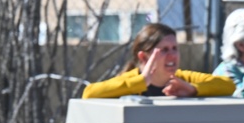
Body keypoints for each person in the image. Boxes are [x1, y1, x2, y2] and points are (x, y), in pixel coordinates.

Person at [82, 23, 236, 99]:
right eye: (164, 50)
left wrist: (193, 89)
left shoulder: (181, 78)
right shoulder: (131, 81)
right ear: (143, 57)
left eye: (174, 48)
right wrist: (142, 81)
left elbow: (228, 85)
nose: (172, 55)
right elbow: (89, 93)